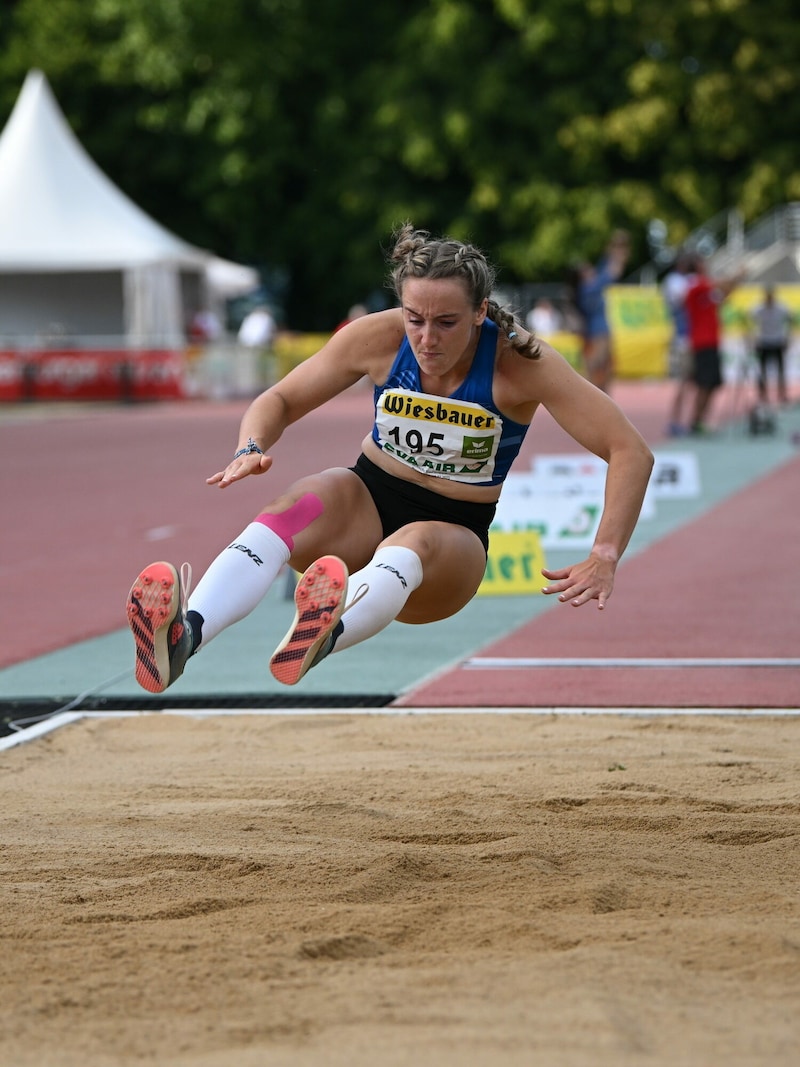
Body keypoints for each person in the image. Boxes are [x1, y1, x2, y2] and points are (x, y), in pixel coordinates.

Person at [126, 223, 654, 695]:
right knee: (297, 504)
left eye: (446, 323)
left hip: (452, 539)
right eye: (415, 319)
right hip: (366, 498)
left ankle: (325, 630)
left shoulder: (521, 363)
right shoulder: (378, 338)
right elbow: (280, 400)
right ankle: (184, 636)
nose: (426, 338)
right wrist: (251, 447)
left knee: (412, 542)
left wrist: (604, 553)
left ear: (479, 311)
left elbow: (629, 449)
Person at [683, 257, 744, 434]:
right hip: (703, 343)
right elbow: (720, 285)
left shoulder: (704, 291)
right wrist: (737, 275)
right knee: (704, 383)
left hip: (710, 342)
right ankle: (696, 421)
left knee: (712, 383)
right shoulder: (696, 285)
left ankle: (700, 420)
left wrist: (737, 281)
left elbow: (723, 295)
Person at [575, 230, 631, 393]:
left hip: (594, 331)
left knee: (599, 369)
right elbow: (613, 271)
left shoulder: (586, 288)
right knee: (599, 368)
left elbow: (605, 264)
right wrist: (619, 249)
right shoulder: (591, 287)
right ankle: (596, 399)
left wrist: (614, 248)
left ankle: (597, 398)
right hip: (599, 332)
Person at [662, 252, 697, 436]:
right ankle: (675, 421)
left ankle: (688, 420)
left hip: (692, 337)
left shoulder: (688, 280)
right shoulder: (674, 281)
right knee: (683, 382)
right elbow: (685, 298)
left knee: (692, 383)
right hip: (683, 337)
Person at [750, 285, 792, 406]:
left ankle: (782, 394)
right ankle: (763, 396)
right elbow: (750, 320)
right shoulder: (758, 308)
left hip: (777, 341)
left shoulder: (781, 308)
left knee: (781, 370)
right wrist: (752, 337)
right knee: (761, 371)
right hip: (763, 342)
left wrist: (787, 337)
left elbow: (790, 320)